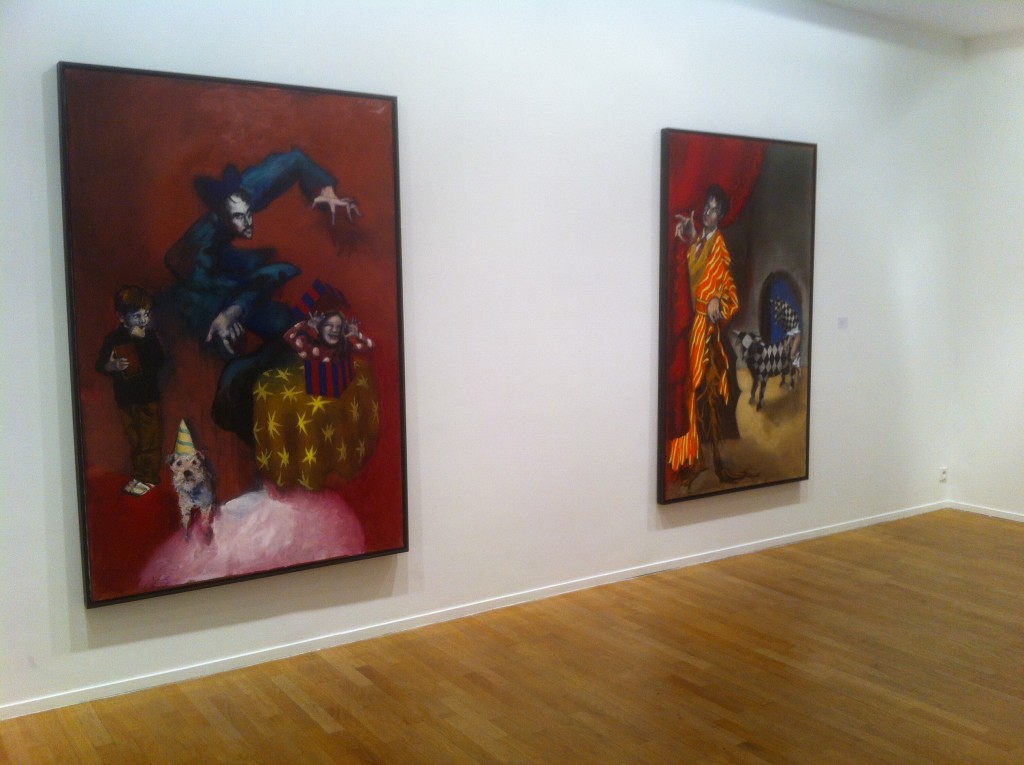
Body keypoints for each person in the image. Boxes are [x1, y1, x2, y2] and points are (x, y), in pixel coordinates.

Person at [163, 149, 360, 443]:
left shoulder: (241, 194)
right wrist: (228, 315)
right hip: (218, 295)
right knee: (270, 336)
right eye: (238, 218)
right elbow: (217, 295)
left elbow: (293, 160)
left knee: (293, 329)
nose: (249, 222)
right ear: (220, 218)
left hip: (241, 282)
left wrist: (326, 190)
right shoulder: (197, 256)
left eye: (248, 212)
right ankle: (247, 409)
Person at [668, 184, 740, 485]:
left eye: (714, 210)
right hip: (688, 326)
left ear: (721, 216)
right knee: (685, 393)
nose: (707, 213)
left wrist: (717, 303)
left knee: (696, 392)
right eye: (707, 207)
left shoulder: (720, 249)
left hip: (703, 332)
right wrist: (688, 238)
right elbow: (689, 274)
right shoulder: (699, 242)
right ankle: (688, 456)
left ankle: (699, 458)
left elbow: (731, 297)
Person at [96, 285, 165, 495]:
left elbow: (159, 361)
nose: (143, 320)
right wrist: (112, 366)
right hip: (125, 398)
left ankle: (149, 477)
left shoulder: (149, 336)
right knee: (135, 439)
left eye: (146, 314)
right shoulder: (114, 338)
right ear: (121, 316)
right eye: (137, 316)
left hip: (147, 397)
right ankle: (139, 475)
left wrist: (142, 340)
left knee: (149, 439)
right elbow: (100, 365)